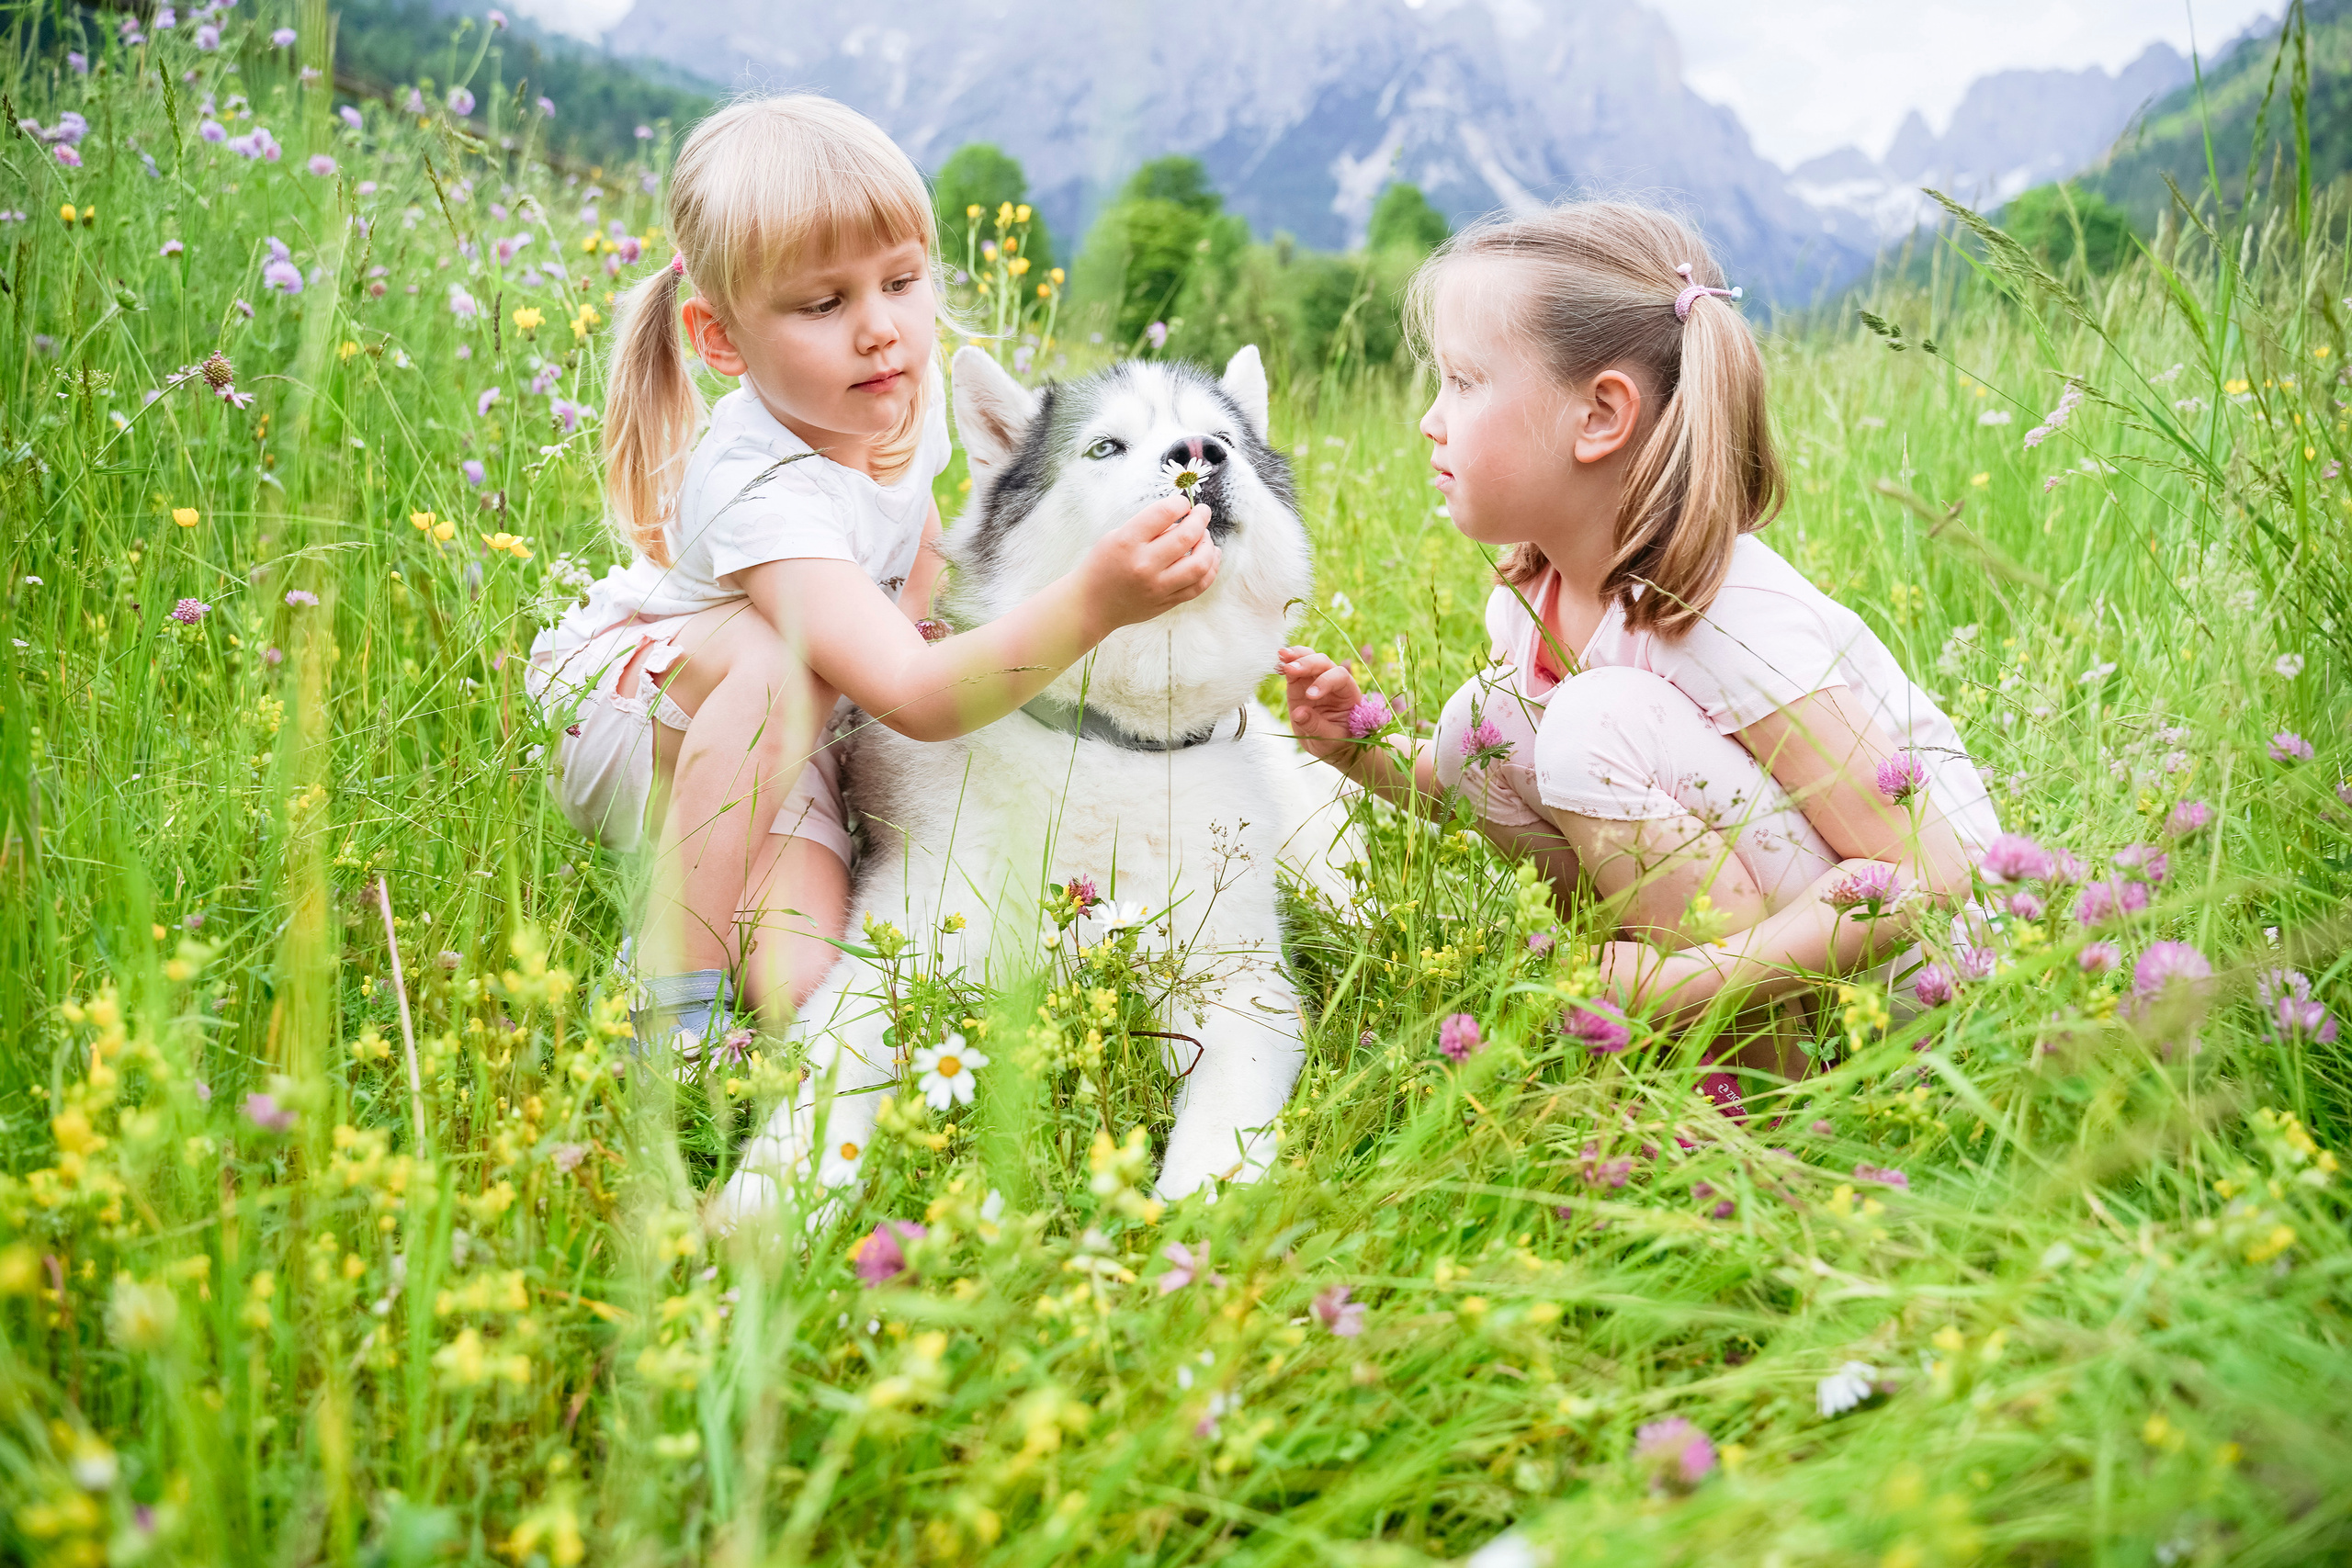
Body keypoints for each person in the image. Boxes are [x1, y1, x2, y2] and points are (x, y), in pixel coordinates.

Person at [527, 96, 1218, 1055]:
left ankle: (718, 911)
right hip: (639, 718)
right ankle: (664, 1003)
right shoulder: (756, 484)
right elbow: (917, 701)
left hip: (784, 736)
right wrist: (1094, 599)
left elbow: (911, 522)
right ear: (722, 339)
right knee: (787, 657)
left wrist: (926, 621)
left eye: (902, 281)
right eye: (825, 303)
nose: (880, 329)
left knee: (800, 979)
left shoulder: (891, 392)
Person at [1277, 202, 1999, 1083]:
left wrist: (1685, 978)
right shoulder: (1532, 599)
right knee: (1484, 724)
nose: (1431, 419)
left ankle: (1757, 1099)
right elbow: (1510, 789)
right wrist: (1363, 752)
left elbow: (1929, 871)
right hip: (1788, 950)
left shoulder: (1722, 613)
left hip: (1924, 988)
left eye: (1463, 383)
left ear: (1600, 416)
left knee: (1592, 722)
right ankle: (1682, 1049)